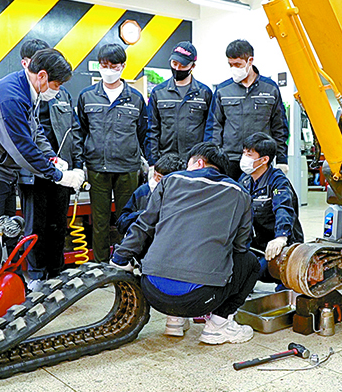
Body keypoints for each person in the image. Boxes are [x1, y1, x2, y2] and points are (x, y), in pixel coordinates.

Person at [110, 142, 259, 344]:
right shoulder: (240, 193)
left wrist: (120, 257)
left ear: (198, 162)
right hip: (200, 299)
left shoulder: (170, 180)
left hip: (153, 293)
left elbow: (144, 224)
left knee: (160, 236)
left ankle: (174, 321)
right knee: (250, 262)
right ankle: (218, 326)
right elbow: (241, 247)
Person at [0, 48, 85, 223]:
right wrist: (59, 176)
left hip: (1, 172)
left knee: (8, 231)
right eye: (57, 85)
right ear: (42, 76)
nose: (58, 90)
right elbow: (22, 149)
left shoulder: (26, 89)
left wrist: (51, 157)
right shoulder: (11, 97)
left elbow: (35, 130)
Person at [16, 40, 83, 291]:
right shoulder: (21, 95)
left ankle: (56, 272)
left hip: (61, 171)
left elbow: (73, 131)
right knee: (35, 225)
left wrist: (75, 166)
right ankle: (37, 275)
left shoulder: (62, 93)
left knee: (58, 224)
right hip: (33, 173)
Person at [76, 43, 149, 262]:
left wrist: (150, 165)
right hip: (98, 168)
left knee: (127, 219)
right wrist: (80, 164)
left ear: (123, 66)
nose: (108, 69)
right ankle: (101, 266)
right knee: (99, 221)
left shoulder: (135, 98)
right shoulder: (87, 96)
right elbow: (80, 132)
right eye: (104, 65)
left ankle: (126, 261)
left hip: (128, 168)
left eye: (113, 65)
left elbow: (143, 133)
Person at [205, 39, 289, 180]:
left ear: (250, 61)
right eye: (230, 65)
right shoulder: (222, 90)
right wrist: (212, 159)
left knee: (259, 200)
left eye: (238, 64)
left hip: (260, 160)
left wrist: (281, 159)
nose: (234, 68)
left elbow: (279, 127)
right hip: (229, 159)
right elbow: (214, 126)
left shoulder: (270, 88)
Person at [238, 132, 304, 281]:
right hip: (256, 244)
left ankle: (285, 281)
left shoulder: (278, 181)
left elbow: (283, 209)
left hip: (281, 244)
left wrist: (281, 237)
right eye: (244, 153)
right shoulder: (245, 180)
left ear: (264, 159)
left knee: (257, 272)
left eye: (250, 154)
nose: (244, 158)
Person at [147, 41, 212, 164]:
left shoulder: (204, 93)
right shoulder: (158, 92)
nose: (177, 68)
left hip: (195, 161)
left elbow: (210, 129)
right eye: (174, 63)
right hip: (165, 160)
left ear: (192, 66)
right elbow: (152, 130)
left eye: (183, 65)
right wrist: (153, 161)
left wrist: (205, 159)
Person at [116, 153, 185, 236]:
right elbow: (122, 224)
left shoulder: (182, 197)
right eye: (154, 175)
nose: (154, 180)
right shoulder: (143, 191)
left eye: (159, 178)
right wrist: (143, 214)